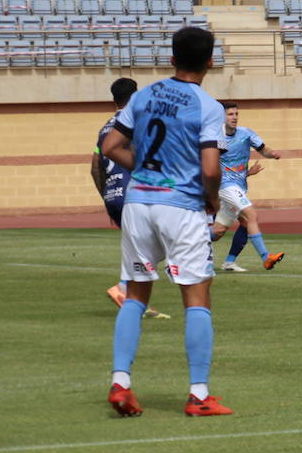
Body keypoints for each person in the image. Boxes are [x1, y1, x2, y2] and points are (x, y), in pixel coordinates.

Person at [99, 26, 233, 418]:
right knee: (196, 296)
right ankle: (198, 395)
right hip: (181, 207)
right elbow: (210, 168)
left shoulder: (143, 95)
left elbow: (111, 146)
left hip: (138, 203)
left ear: (172, 58)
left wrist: (142, 171)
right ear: (210, 61)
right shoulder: (208, 106)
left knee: (136, 293)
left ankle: (121, 383)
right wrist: (211, 200)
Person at [91, 77, 170, 319]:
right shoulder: (137, 120)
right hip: (136, 193)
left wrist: (107, 197)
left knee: (141, 247)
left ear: (113, 100)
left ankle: (135, 300)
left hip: (113, 194)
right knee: (169, 238)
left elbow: (95, 168)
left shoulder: (105, 128)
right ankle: (124, 287)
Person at [208, 101, 285, 272]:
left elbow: (263, 149)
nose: (234, 117)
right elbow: (209, 162)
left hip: (238, 187)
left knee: (218, 231)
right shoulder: (216, 138)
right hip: (225, 186)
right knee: (251, 215)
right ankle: (266, 257)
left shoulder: (246, 134)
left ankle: (182, 242)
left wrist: (272, 154)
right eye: (230, 114)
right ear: (222, 117)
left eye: (236, 114)